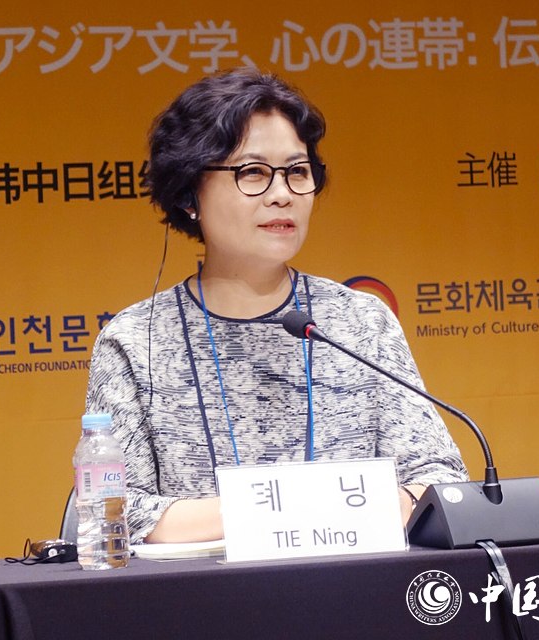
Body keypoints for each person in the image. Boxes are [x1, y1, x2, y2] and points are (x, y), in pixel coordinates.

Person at [85, 68, 468, 545]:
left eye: (297, 172)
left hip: (355, 585)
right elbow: (111, 510)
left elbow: (441, 478)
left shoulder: (360, 323)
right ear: (188, 194)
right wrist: (288, 507)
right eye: (253, 173)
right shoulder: (134, 341)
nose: (283, 194)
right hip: (205, 590)